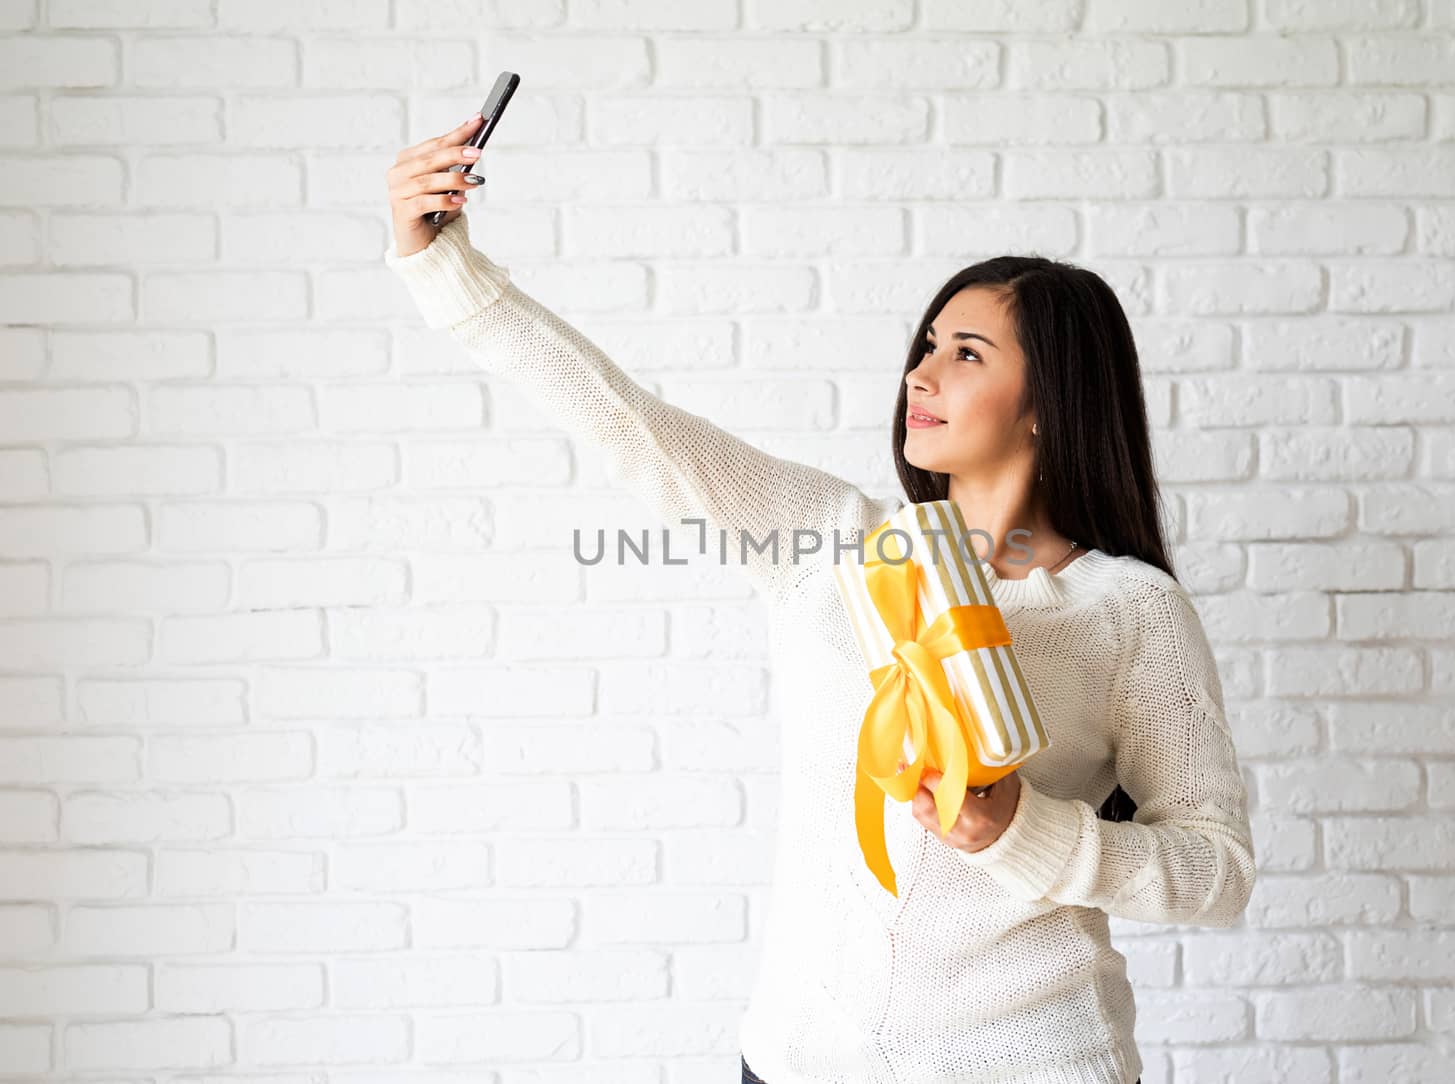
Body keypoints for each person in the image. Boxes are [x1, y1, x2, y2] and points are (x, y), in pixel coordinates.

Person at [385, 114, 1252, 1084]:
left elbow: (1214, 871)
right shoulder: (832, 544)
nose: (919, 373)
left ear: (1046, 400)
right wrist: (443, 268)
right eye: (927, 345)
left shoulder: (1128, 610)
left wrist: (1025, 832)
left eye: (965, 353)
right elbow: (631, 425)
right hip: (798, 1059)